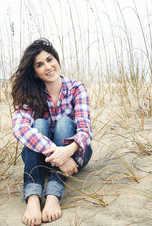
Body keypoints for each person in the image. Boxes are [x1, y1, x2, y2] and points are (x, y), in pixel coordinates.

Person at [11, 38, 92, 226]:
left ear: (56, 59)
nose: (48, 66)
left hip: (75, 155)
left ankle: (53, 196)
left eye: (49, 59)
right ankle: (33, 197)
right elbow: (20, 128)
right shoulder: (30, 94)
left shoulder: (76, 88)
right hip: (46, 158)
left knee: (64, 123)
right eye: (40, 64)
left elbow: (85, 129)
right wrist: (57, 153)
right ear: (35, 72)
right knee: (38, 125)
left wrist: (68, 152)